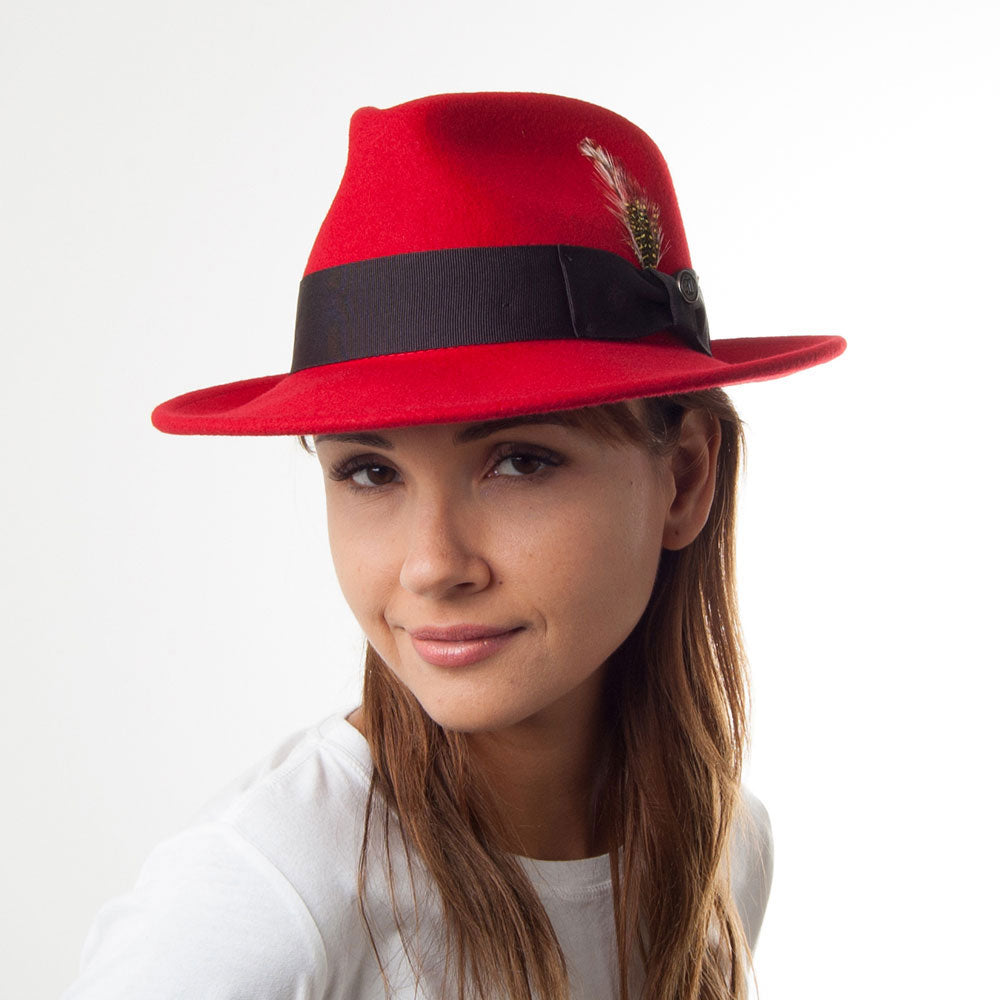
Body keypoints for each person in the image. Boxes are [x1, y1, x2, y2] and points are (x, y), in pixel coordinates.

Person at [62, 92, 845, 1000]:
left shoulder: (722, 851)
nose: (433, 565)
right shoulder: (258, 903)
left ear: (685, 477)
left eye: (520, 462)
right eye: (370, 472)